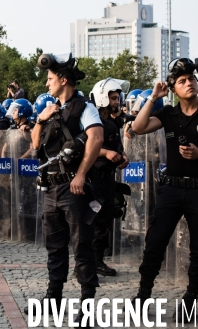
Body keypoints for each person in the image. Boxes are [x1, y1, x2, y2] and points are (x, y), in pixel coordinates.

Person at [130, 57, 198, 322]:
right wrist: (153, 98)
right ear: (173, 88)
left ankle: (190, 299)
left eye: (190, 79)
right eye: (181, 81)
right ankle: (143, 295)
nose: (188, 83)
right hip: (171, 190)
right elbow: (138, 127)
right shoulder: (168, 114)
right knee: (154, 242)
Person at [28, 53, 104, 323]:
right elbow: (35, 146)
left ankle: (86, 305)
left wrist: (81, 174)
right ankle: (53, 298)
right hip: (51, 190)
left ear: (63, 79)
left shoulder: (85, 107)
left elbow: (96, 138)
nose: (47, 84)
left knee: (82, 246)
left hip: (74, 189)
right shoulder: (51, 109)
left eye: (50, 79)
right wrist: (41, 117)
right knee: (54, 247)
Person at [89, 78, 130, 277]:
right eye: (113, 98)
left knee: (105, 221)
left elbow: (118, 147)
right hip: (94, 179)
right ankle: (87, 264)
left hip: (108, 179)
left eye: (117, 97)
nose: (117, 101)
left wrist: (122, 157)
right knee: (93, 221)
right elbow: (84, 150)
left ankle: (97, 262)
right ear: (103, 98)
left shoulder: (113, 122)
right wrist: (106, 154)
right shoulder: (92, 121)